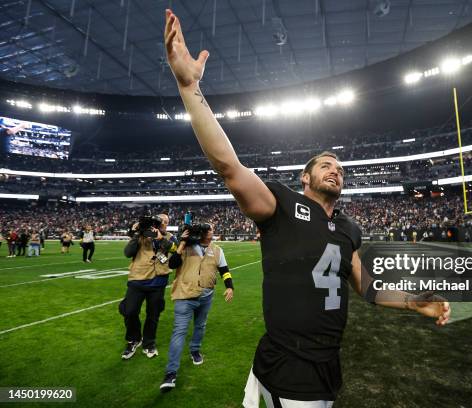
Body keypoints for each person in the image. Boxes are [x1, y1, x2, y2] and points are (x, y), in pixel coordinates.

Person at [164, 9, 451, 407]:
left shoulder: (349, 228)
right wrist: (189, 88)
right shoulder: (281, 204)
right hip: (288, 363)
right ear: (305, 177)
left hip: (326, 362)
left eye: (340, 168)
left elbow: (367, 287)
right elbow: (229, 166)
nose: (336, 170)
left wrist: (419, 302)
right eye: (326, 165)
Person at [160, 223, 235, 391]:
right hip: (185, 295)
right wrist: (181, 244)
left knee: (200, 325)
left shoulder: (217, 250)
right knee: (179, 331)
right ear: (202, 233)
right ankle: (170, 373)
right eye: (209, 230)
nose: (212, 232)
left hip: (206, 296)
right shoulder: (185, 247)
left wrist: (230, 286)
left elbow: (224, 270)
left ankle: (195, 350)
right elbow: (172, 265)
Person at [120, 214, 178, 360]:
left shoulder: (169, 237)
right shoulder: (141, 235)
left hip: (158, 280)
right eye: (160, 221)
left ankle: (149, 343)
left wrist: (160, 239)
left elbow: (175, 251)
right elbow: (128, 253)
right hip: (137, 279)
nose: (163, 224)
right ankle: (134, 339)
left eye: (165, 222)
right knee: (130, 311)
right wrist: (138, 233)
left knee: (153, 315)